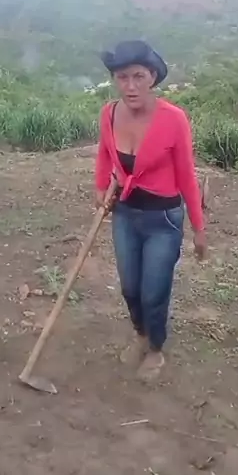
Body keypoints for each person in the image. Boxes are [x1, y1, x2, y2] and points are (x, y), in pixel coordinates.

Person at [95, 40, 207, 381]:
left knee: (153, 291)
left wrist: (199, 229)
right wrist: (100, 188)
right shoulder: (108, 113)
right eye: (122, 77)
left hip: (163, 220)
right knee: (130, 287)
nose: (130, 86)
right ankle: (141, 334)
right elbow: (104, 154)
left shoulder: (173, 119)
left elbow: (186, 175)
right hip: (125, 214)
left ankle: (156, 348)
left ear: (152, 77)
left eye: (138, 76)